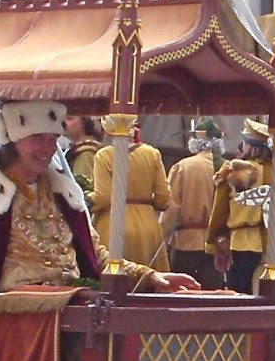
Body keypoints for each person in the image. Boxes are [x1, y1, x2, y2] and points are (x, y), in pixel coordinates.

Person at [0, 101, 197, 297]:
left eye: (52, 139)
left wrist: (149, 277)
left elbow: (97, 257)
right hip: (10, 323)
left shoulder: (63, 194)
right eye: (37, 138)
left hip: (73, 312)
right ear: (13, 139)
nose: (47, 148)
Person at [206, 119, 275, 295]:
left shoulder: (232, 171)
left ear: (247, 145)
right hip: (273, 245)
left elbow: (220, 212)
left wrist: (214, 241)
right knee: (270, 297)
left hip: (241, 244)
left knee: (240, 297)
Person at [90, 127, 172, 271]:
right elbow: (163, 198)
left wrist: (85, 199)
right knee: (150, 285)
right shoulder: (152, 154)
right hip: (148, 227)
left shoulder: (103, 156)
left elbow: (103, 196)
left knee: (113, 280)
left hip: (112, 224)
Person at [160, 118, 225, 290]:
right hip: (218, 244)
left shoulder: (183, 167)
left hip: (186, 243)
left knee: (183, 293)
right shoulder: (228, 168)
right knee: (213, 296)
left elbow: (171, 208)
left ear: (194, 142)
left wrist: (160, 236)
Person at [61, 114, 103, 184]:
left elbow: (83, 186)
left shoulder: (86, 153)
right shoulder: (76, 150)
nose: (64, 123)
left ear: (83, 123)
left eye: (69, 118)